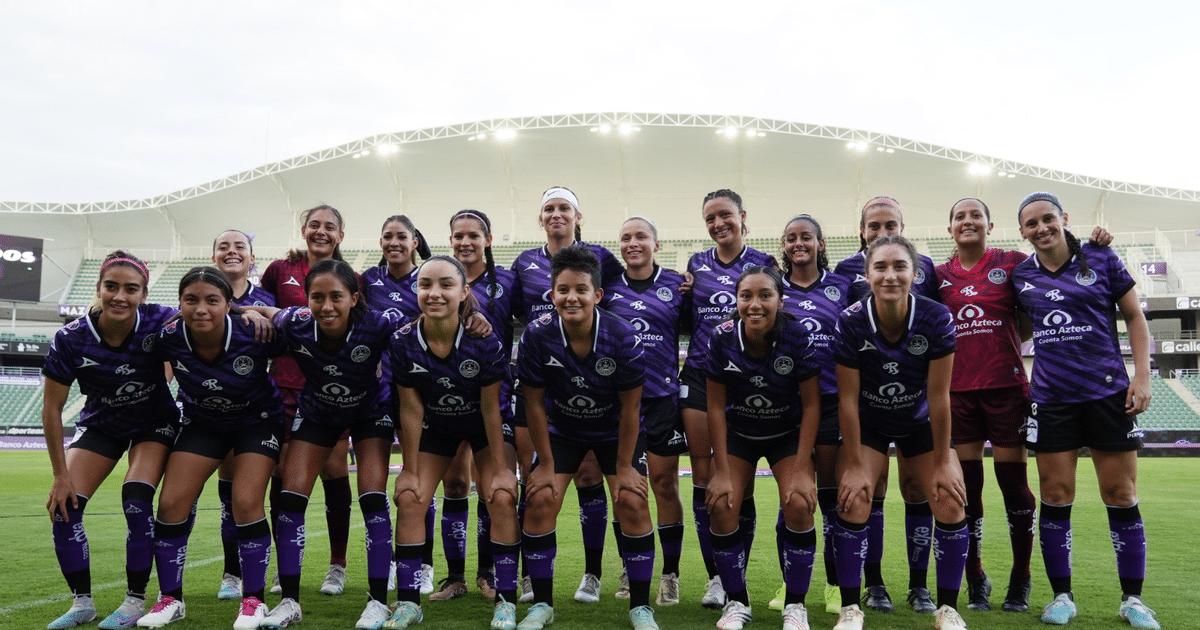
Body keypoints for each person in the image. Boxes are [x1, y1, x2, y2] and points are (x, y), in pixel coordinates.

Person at [1011, 192, 1158, 629]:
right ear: (1022, 231)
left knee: (1121, 495)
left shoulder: (1100, 257)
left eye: (1048, 219)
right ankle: (1062, 597)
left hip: (1108, 395)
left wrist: (1143, 376)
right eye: (1031, 223)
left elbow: (1134, 317)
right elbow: (1014, 330)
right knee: (1055, 497)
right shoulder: (1019, 277)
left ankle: (1133, 600)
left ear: (1064, 219)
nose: (1041, 228)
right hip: (1053, 400)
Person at [247, 260, 404, 630]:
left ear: (354, 297)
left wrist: (472, 315)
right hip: (318, 411)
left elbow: (422, 329)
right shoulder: (296, 322)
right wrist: (245, 311)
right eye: (317, 297)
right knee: (291, 496)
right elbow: (269, 311)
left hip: (370, 411)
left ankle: (379, 602)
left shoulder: (378, 324)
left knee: (371, 497)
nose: (327, 306)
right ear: (307, 299)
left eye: (336, 296)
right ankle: (289, 601)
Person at [514, 245, 659, 630]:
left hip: (615, 432)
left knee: (631, 500)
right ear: (552, 294)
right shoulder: (536, 335)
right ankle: (542, 605)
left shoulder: (623, 336)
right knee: (541, 498)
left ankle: (640, 608)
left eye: (580, 289)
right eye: (563, 290)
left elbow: (631, 410)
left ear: (597, 294)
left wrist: (625, 467)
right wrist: (545, 465)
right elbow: (534, 406)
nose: (571, 297)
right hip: (563, 430)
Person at [831, 235, 970, 630]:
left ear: (914, 273)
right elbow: (847, 399)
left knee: (950, 499)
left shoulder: (936, 317)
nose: (890, 275)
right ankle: (849, 609)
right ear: (867, 274)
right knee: (854, 498)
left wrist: (943, 462)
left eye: (899, 267)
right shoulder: (851, 320)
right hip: (870, 422)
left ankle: (948, 609)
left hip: (919, 420)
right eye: (880, 267)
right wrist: (856, 464)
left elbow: (940, 396)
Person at [137, 267, 283, 629]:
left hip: (256, 422)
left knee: (246, 502)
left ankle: (253, 601)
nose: (201, 308)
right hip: (204, 424)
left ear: (228, 304)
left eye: (211, 300)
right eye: (191, 300)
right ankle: (170, 598)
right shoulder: (168, 337)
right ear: (181, 303)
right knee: (171, 503)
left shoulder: (254, 331)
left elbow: (305, 344)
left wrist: (256, 311)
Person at [42, 251, 180, 630]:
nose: (120, 296)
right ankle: (82, 603)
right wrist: (60, 475)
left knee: (136, 498)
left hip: (154, 423)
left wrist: (251, 313)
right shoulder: (70, 338)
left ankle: (135, 601)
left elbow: (210, 310)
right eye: (112, 287)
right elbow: (52, 409)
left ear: (144, 294)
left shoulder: (160, 319)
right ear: (98, 289)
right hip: (102, 425)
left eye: (131, 289)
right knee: (63, 507)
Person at [386, 255, 521, 630]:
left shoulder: (484, 339)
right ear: (416, 290)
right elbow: (411, 410)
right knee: (412, 498)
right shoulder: (402, 341)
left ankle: (506, 602)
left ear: (464, 292)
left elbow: (491, 409)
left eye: (446, 285)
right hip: (439, 427)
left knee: (501, 496)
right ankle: (409, 603)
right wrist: (409, 471)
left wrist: (501, 471)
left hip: (483, 426)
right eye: (425, 284)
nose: (435, 293)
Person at [510, 187, 623, 604]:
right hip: (540, 375)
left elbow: (619, 298)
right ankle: (529, 575)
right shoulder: (524, 262)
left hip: (590, 378)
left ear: (578, 217)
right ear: (540, 218)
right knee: (534, 474)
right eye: (549, 209)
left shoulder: (600, 258)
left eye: (564, 208)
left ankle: (592, 574)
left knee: (591, 475)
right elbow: (515, 313)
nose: (556, 215)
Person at [831, 196, 939, 613]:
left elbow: (932, 329)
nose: (882, 233)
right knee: (868, 488)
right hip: (866, 399)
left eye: (889, 224)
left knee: (916, 489)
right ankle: (873, 585)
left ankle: (919, 585)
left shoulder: (924, 267)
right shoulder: (844, 272)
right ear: (862, 231)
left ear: (902, 226)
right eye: (873, 226)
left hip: (913, 400)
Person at [934, 198, 1042, 613]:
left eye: (974, 215)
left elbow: (1051, 278)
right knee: (969, 489)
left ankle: (1021, 577)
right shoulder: (938, 275)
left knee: (1014, 486)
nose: (967, 221)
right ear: (950, 229)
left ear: (989, 224)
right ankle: (975, 576)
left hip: (1005, 388)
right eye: (959, 216)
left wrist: (1095, 243)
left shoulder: (1013, 262)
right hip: (957, 392)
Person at [703, 265, 823, 630]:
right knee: (722, 505)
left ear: (780, 301)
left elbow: (813, 405)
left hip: (785, 433)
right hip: (740, 433)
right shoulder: (721, 336)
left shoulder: (797, 335)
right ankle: (737, 602)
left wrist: (802, 470)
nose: (754, 304)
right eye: (746, 296)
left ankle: (795, 605)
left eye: (765, 296)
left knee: (800, 503)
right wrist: (721, 471)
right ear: (737, 300)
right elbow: (714, 407)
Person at [679, 188, 776, 608]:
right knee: (705, 482)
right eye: (710, 218)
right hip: (701, 377)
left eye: (725, 215)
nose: (718, 224)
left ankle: (736, 568)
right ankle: (716, 578)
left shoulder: (765, 265)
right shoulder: (696, 264)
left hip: (746, 379)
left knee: (742, 488)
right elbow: (685, 317)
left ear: (742, 216)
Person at [259, 205, 356, 597]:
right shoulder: (280, 270)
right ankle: (286, 566)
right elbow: (257, 309)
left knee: (334, 471)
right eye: (314, 225)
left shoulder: (352, 278)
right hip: (283, 386)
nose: (320, 231)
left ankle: (338, 564)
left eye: (329, 226)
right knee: (282, 475)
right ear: (303, 230)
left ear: (340, 236)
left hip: (330, 389)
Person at [601, 217, 688, 607]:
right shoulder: (608, 287)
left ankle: (670, 574)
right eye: (626, 238)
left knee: (665, 485)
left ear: (657, 242)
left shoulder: (677, 284)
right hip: (621, 405)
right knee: (624, 490)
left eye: (641, 237)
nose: (633, 243)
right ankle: (629, 566)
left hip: (663, 400)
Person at [361, 214, 444, 596]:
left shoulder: (427, 277)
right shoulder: (367, 281)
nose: (393, 242)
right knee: (386, 484)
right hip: (379, 391)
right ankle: (397, 561)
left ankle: (424, 563)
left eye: (401, 236)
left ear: (415, 242)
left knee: (418, 477)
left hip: (421, 389)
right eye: (387, 236)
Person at [774, 215, 852, 615]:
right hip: (787, 407)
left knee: (830, 499)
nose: (799, 243)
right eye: (791, 238)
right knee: (791, 498)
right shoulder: (773, 288)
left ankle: (836, 585)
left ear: (821, 242)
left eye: (806, 237)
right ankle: (790, 581)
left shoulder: (843, 287)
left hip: (833, 404)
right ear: (784, 246)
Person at [448, 209, 521, 602]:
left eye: (473, 235)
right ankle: (454, 577)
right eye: (458, 235)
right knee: (455, 482)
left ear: (487, 240)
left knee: (492, 485)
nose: (465, 242)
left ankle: (488, 574)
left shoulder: (508, 280)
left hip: (494, 395)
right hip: (444, 396)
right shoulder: (440, 275)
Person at [211, 229, 276, 601]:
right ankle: (231, 573)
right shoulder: (201, 293)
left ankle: (262, 571)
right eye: (224, 247)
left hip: (257, 412)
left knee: (253, 496)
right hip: (211, 412)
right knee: (227, 498)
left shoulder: (267, 299)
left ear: (253, 258)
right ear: (214, 256)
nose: (231, 252)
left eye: (240, 247)